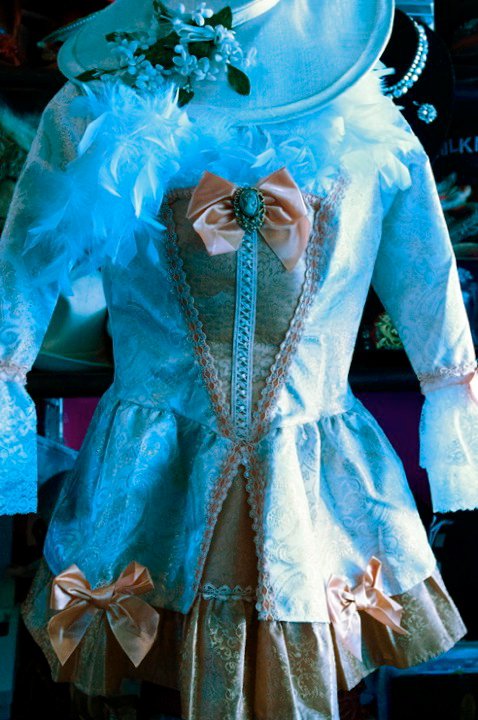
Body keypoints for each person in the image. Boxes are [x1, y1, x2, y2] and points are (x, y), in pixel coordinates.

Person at [1, 1, 478, 718]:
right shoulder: (93, 109)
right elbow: (23, 264)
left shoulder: (365, 116)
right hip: (148, 478)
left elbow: (426, 274)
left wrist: (452, 402)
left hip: (316, 479)